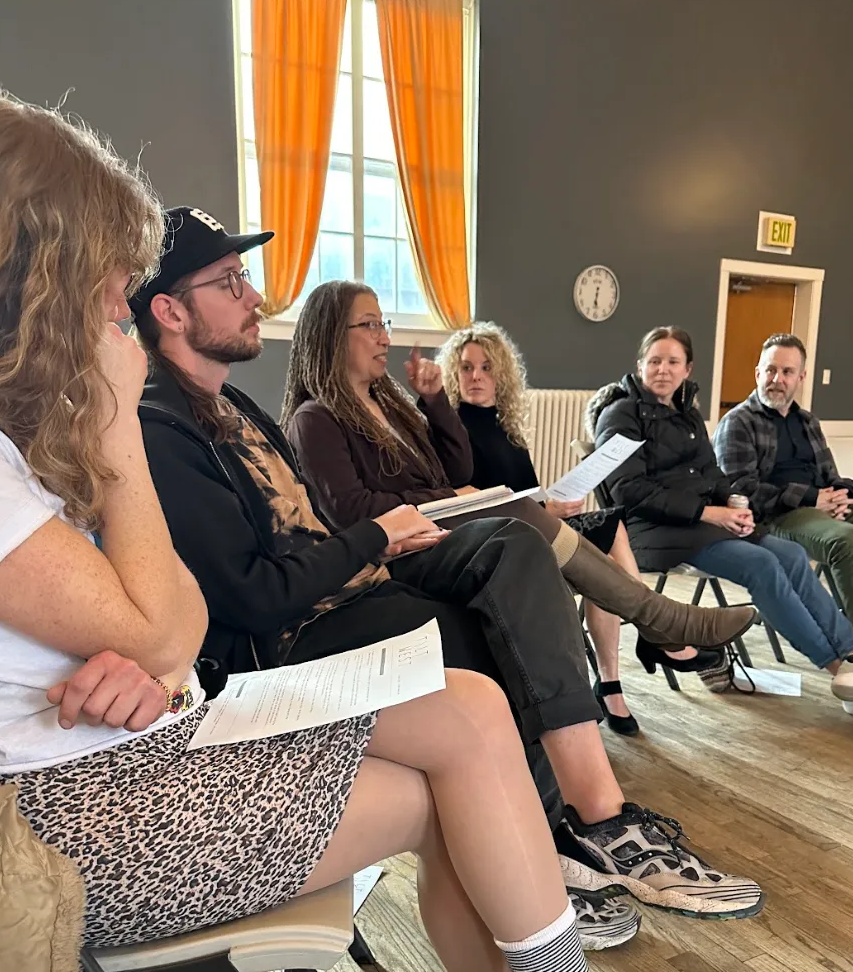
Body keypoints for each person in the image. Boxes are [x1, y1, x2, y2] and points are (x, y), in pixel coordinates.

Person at [0, 92, 788, 972]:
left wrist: (147, 646)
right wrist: (118, 444)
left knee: (473, 710)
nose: (121, 306)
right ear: (35, 274)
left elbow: (178, 625)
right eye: (111, 282)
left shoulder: (11, 437)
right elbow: (179, 617)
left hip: (134, 744)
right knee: (470, 761)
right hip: (70, 821)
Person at [127, 219, 764, 928]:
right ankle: (561, 832)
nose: (254, 296)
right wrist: (376, 533)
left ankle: (587, 818)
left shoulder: (232, 406)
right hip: (292, 639)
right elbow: (253, 596)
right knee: (491, 619)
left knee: (518, 558)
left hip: (354, 588)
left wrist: (410, 462)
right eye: (229, 282)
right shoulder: (163, 427)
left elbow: (411, 486)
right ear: (169, 309)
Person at [436, 321, 718, 737]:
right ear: (453, 374)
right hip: (497, 539)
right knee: (606, 540)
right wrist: (545, 506)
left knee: (610, 525)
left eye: (486, 367)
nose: (476, 376)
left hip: (530, 522)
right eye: (466, 368)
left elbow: (524, 491)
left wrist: (555, 502)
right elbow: (470, 497)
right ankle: (651, 635)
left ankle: (614, 679)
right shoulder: (450, 425)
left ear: (502, 375)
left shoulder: (504, 424)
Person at [586, 327, 853, 712]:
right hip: (651, 529)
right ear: (640, 366)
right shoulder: (620, 414)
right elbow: (628, 491)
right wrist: (710, 513)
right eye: (654, 361)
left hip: (701, 522)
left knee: (787, 554)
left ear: (688, 369)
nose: (663, 370)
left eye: (673, 362)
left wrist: (735, 506)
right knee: (763, 564)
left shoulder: (686, 413)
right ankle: (837, 667)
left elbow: (713, 475)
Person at [713, 334, 853, 652]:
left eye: (787, 372)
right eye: (770, 370)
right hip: (775, 518)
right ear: (758, 373)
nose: (777, 379)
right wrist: (813, 499)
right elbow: (741, 490)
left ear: (800, 377)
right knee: (847, 541)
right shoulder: (738, 423)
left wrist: (842, 496)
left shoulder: (807, 421)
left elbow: (832, 475)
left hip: (821, 510)